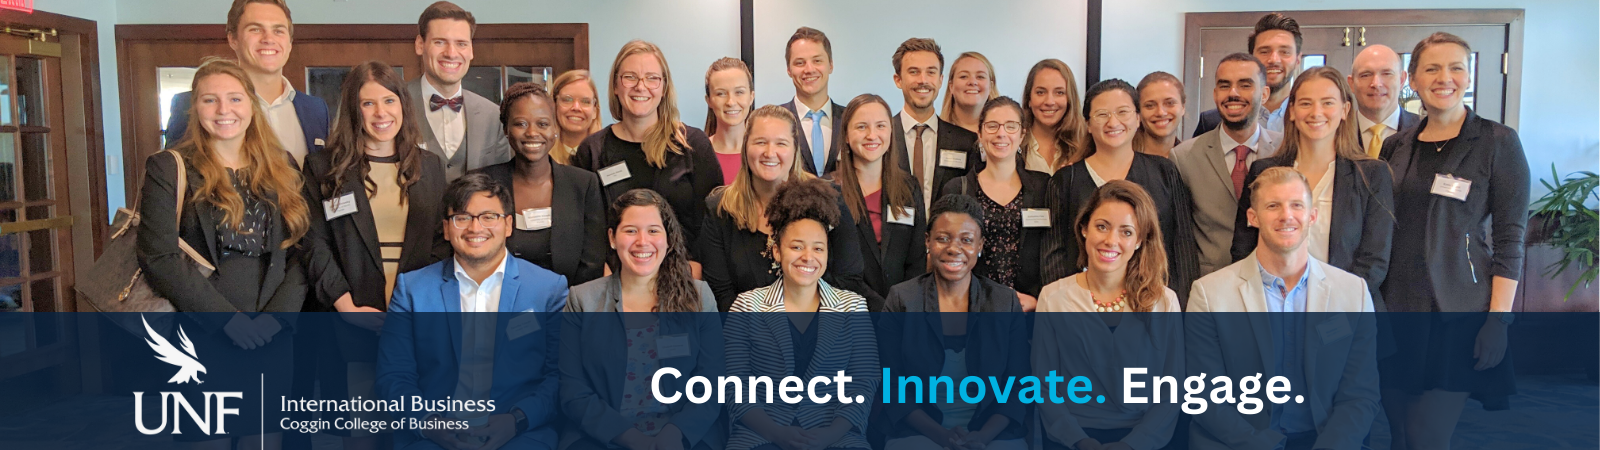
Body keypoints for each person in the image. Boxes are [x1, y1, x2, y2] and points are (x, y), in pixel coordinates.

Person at [138, 57, 348, 450]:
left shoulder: (282, 165)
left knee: (263, 439)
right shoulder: (169, 167)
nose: (224, 111)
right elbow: (159, 256)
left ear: (251, 105)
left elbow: (302, 247)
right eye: (210, 100)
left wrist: (277, 320)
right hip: (200, 331)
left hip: (270, 334)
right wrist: (227, 322)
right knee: (207, 439)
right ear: (194, 107)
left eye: (235, 99)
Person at [1377, 32, 1529, 450]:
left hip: (1458, 312)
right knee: (1400, 435)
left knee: (1428, 436)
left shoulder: (1498, 142)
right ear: (1413, 79)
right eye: (1432, 68)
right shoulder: (1396, 145)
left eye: (1456, 67)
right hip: (1397, 308)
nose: (1445, 77)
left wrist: (1499, 320)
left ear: (1469, 75)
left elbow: (1510, 237)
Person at [300, 61, 450, 450]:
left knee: (408, 424)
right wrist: (346, 307)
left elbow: (440, 240)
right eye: (368, 104)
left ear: (403, 104)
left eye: (389, 100)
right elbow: (314, 243)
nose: (381, 113)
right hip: (347, 310)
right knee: (356, 428)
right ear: (353, 111)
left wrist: (416, 305)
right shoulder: (323, 168)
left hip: (412, 313)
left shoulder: (430, 166)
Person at [1186, 167, 1379, 450]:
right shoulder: (1209, 293)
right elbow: (1204, 395)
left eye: (1296, 205)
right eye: (1273, 206)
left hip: (1325, 440)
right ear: (1253, 217)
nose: (1286, 215)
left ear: (1312, 215)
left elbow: (1360, 394)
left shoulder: (1353, 293)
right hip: (1239, 442)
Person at [377, 173, 568, 450]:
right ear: (446, 228)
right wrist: (430, 424)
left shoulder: (548, 289)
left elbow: (559, 376)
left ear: (509, 225)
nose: (475, 228)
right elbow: (393, 376)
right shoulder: (412, 289)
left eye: (489, 216)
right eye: (462, 217)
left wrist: (516, 420)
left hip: (519, 433)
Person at [560, 189, 725, 450]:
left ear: (668, 240)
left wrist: (674, 435)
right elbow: (573, 391)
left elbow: (712, 382)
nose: (642, 241)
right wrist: (630, 438)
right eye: (630, 231)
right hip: (603, 437)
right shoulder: (582, 299)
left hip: (682, 436)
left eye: (653, 230)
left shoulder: (699, 296)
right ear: (612, 238)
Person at [724, 177, 878, 450]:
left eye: (818, 248)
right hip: (761, 438)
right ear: (777, 252)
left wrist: (830, 435)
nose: (808, 257)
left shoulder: (852, 307)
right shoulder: (746, 306)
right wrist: (777, 434)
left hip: (836, 438)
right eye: (796, 246)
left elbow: (863, 383)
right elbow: (735, 386)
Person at [1035, 180, 1183, 450]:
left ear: (1139, 241)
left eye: (1126, 232)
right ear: (1084, 229)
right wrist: (1079, 441)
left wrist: (1132, 445)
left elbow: (1171, 390)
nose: (1111, 240)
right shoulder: (1053, 297)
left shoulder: (1164, 301)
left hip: (1144, 440)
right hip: (1073, 439)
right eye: (1102, 226)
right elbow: (1046, 388)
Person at [1231, 66, 1394, 308]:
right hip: (1272, 307)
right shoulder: (1263, 171)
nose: (1316, 112)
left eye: (1327, 103)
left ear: (1344, 110)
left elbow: (1374, 261)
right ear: (1293, 111)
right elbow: (1244, 248)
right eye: (1306, 103)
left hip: (1345, 312)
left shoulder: (1372, 174)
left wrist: (1332, 310)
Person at [878, 194, 1029, 450]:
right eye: (943, 238)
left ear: (980, 245)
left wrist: (982, 438)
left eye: (966, 240)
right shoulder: (902, 299)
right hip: (920, 434)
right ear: (928, 241)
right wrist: (941, 437)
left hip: (992, 435)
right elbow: (890, 386)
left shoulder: (1005, 302)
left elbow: (1020, 385)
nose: (953, 248)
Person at [697, 105, 874, 311]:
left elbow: (848, 278)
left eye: (781, 143)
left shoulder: (829, 200)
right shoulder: (719, 209)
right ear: (745, 147)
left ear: (795, 149)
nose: (770, 153)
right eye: (760, 142)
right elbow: (721, 293)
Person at [1043, 79, 1201, 305]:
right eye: (1102, 114)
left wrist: (1181, 306)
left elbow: (1182, 246)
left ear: (1137, 119)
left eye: (1123, 112)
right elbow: (1053, 255)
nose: (1113, 122)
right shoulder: (1065, 180)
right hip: (1081, 308)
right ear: (1087, 123)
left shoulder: (1164, 171)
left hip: (1151, 304)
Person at [573, 40, 723, 275]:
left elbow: (712, 221)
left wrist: (695, 270)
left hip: (683, 278)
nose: (641, 87)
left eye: (652, 78)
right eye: (630, 77)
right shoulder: (592, 151)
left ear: (663, 88)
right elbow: (586, 227)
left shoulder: (693, 145)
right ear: (615, 85)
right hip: (615, 282)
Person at [165, 0, 329, 167]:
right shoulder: (190, 106)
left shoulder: (315, 109)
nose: (268, 39)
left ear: (289, 42)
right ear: (233, 39)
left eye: (278, 30)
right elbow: (173, 176)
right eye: (255, 29)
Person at [474, 82, 608, 286]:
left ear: (555, 128)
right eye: (521, 124)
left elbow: (592, 264)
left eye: (543, 124)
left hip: (567, 307)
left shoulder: (583, 185)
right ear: (506, 129)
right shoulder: (482, 184)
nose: (532, 133)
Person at [1171, 53, 1282, 277]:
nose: (1233, 93)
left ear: (1264, 93)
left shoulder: (1286, 150)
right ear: (1215, 94)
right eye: (1225, 85)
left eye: (1245, 85)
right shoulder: (1183, 157)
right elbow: (1179, 239)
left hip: (1275, 287)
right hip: (1209, 290)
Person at [940, 97, 1049, 308]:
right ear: (979, 134)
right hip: (972, 307)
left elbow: (1051, 250)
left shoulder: (1043, 186)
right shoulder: (957, 189)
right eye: (992, 126)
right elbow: (948, 252)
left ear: (1022, 134)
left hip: (1029, 308)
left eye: (1011, 126)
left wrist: (1040, 299)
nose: (1001, 133)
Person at [830, 94, 926, 299]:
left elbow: (916, 260)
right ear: (846, 135)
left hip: (902, 312)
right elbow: (833, 268)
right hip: (850, 311)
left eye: (881, 126)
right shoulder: (827, 191)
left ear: (891, 132)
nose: (872, 135)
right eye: (862, 127)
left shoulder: (909, 187)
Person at [407, 1, 511, 180]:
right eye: (440, 42)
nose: (451, 53)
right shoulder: (393, 106)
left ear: (471, 50)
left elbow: (501, 186)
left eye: (461, 44)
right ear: (420, 45)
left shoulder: (493, 115)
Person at [892, 38, 979, 209]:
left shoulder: (966, 142)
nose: (923, 80)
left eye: (931, 72)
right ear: (898, 80)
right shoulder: (881, 137)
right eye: (914, 72)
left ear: (940, 80)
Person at [1193, 12, 1303, 137]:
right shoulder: (1210, 122)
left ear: (1298, 60)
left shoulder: (1311, 120)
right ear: (1251, 58)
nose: (1274, 59)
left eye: (1284, 52)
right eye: (1264, 51)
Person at [778, 27, 847, 176]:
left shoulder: (851, 119)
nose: (809, 69)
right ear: (789, 70)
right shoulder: (776, 121)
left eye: (817, 61)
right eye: (800, 63)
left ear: (831, 65)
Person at [1348, 45, 1420, 159]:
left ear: (1402, 80)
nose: (1376, 83)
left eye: (1386, 74)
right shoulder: (1334, 132)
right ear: (1351, 84)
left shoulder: (1423, 130)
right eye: (1366, 75)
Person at [1020, 59, 1088, 174]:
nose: (1049, 101)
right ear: (1029, 99)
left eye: (1059, 92)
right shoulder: (1013, 142)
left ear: (1070, 99)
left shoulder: (1086, 144)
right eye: (1041, 92)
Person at [705, 57, 755, 184]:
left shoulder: (766, 152)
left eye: (739, 92)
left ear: (751, 97)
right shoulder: (698, 154)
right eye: (721, 94)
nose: (731, 102)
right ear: (709, 100)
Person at [551, 70, 604, 165]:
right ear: (554, 106)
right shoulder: (542, 158)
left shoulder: (608, 155)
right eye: (567, 100)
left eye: (585, 101)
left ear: (595, 110)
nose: (576, 107)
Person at [939, 52, 999, 133]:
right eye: (963, 76)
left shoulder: (1007, 135)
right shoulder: (935, 134)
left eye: (980, 77)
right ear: (951, 86)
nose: (972, 82)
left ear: (990, 87)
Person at [1133, 71, 1186, 158]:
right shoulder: (1121, 159)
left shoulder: (1192, 161)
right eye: (1150, 105)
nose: (1161, 113)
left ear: (1183, 107)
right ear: (1138, 112)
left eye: (1169, 103)